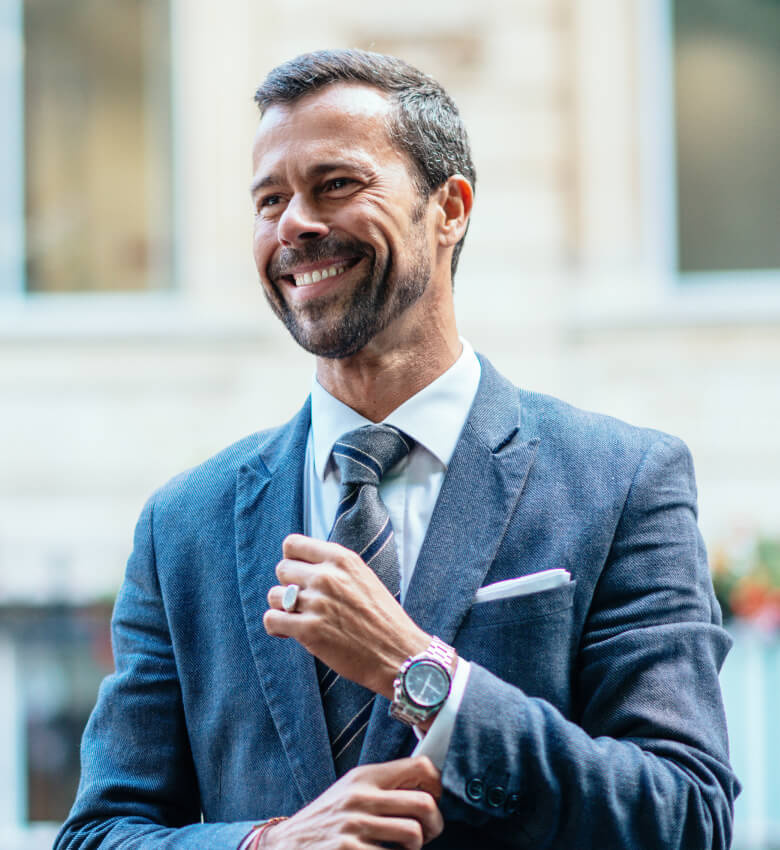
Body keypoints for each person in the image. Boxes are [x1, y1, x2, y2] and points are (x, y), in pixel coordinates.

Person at [56, 49, 738, 850]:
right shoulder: (185, 526)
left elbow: (686, 815)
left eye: (335, 185)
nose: (295, 225)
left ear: (449, 208)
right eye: (269, 199)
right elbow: (98, 833)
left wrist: (422, 676)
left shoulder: (621, 483)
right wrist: (267, 845)